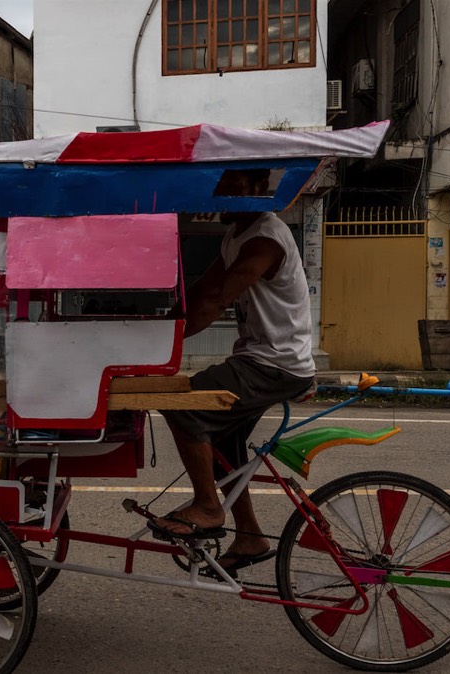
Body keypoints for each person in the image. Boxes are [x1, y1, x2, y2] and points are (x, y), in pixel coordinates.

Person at [148, 168, 316, 576]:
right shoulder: (234, 236)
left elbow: (218, 299)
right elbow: (201, 292)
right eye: (220, 188)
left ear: (260, 190)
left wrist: (156, 351)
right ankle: (250, 536)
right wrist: (154, 332)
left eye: (233, 188)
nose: (222, 196)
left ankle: (208, 506)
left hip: (274, 363)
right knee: (223, 442)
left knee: (182, 405)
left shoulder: (265, 238)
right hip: (259, 359)